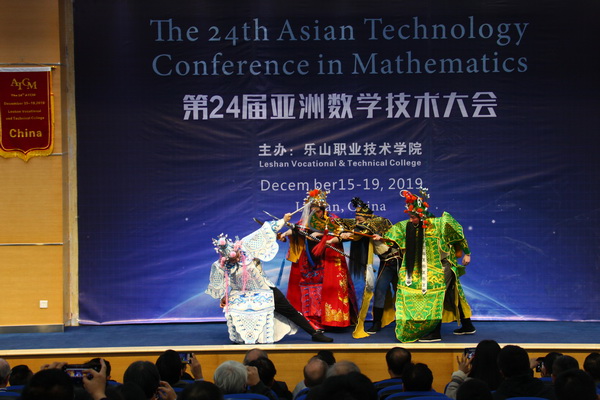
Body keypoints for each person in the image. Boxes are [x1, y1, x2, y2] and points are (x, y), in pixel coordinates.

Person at [205, 213, 333, 343]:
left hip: (264, 290)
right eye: (232, 258)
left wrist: (283, 220)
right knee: (237, 313)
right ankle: (245, 338)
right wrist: (223, 296)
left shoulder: (247, 247)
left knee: (290, 311)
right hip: (240, 294)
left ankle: (314, 333)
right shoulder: (221, 265)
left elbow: (265, 230)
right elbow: (221, 282)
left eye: (237, 255)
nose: (236, 258)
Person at [383, 188, 474, 342]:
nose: (411, 220)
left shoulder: (439, 224)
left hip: (443, 265)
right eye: (410, 217)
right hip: (425, 268)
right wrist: (380, 238)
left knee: (435, 295)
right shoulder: (409, 226)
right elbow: (392, 235)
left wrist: (467, 253)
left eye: (413, 217)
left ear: (422, 215)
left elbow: (458, 233)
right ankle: (467, 325)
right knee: (451, 294)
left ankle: (434, 332)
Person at [281, 189, 358, 331]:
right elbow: (297, 229)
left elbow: (342, 234)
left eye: (317, 210)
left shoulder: (332, 219)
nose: (314, 212)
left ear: (323, 209)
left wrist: (325, 237)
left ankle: (329, 320)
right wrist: (285, 233)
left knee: (327, 288)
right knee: (310, 287)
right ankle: (311, 318)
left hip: (327, 259)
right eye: (312, 209)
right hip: (309, 261)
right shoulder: (307, 220)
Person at [338, 197, 400, 337]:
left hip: (399, 261)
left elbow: (363, 230)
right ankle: (377, 322)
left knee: (402, 292)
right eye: (356, 218)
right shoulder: (360, 224)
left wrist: (350, 233)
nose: (357, 221)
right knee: (380, 290)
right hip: (386, 262)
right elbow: (342, 224)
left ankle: (405, 321)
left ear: (366, 217)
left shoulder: (378, 221)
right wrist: (342, 233)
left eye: (359, 219)